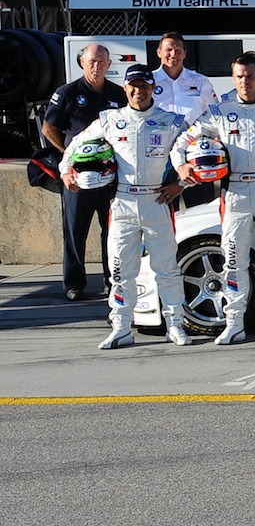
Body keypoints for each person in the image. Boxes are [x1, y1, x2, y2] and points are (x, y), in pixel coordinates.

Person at [173, 52, 255, 345]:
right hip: (234, 193)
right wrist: (181, 166)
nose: (245, 82)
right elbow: (183, 140)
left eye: (250, 76)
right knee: (233, 260)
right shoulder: (219, 110)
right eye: (239, 77)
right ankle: (234, 323)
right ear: (233, 78)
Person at [60, 66, 190, 349]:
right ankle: (121, 327)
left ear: (152, 88)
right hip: (122, 203)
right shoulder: (110, 119)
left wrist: (180, 184)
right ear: (125, 87)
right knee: (120, 271)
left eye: (143, 85)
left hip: (157, 201)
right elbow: (75, 144)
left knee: (167, 269)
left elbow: (192, 153)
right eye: (132, 85)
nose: (137, 90)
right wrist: (66, 171)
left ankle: (176, 325)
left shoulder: (172, 121)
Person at [41, 44, 126, 302]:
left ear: (109, 64)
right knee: (75, 230)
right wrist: (69, 154)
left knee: (112, 230)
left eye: (101, 62)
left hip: (109, 175)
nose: (96, 66)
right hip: (78, 176)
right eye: (92, 61)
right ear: (82, 63)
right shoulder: (67, 93)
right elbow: (49, 128)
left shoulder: (118, 94)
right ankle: (74, 284)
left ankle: (112, 281)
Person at [150, 32, 219, 125]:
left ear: (184, 53)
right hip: (160, 133)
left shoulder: (201, 81)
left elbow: (214, 112)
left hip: (193, 133)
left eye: (178, 50)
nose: (173, 54)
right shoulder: (149, 81)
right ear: (159, 52)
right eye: (168, 50)